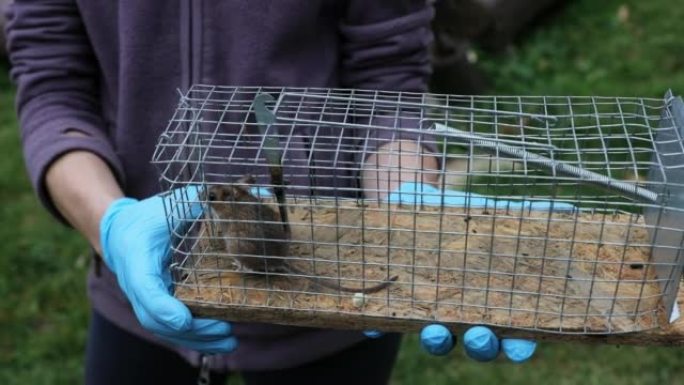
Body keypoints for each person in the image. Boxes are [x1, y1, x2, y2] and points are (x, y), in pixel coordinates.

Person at [5, 1, 536, 384]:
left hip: (327, 299)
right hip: (139, 296)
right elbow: (53, 82)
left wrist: (403, 205)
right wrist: (112, 224)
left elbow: (388, 80)